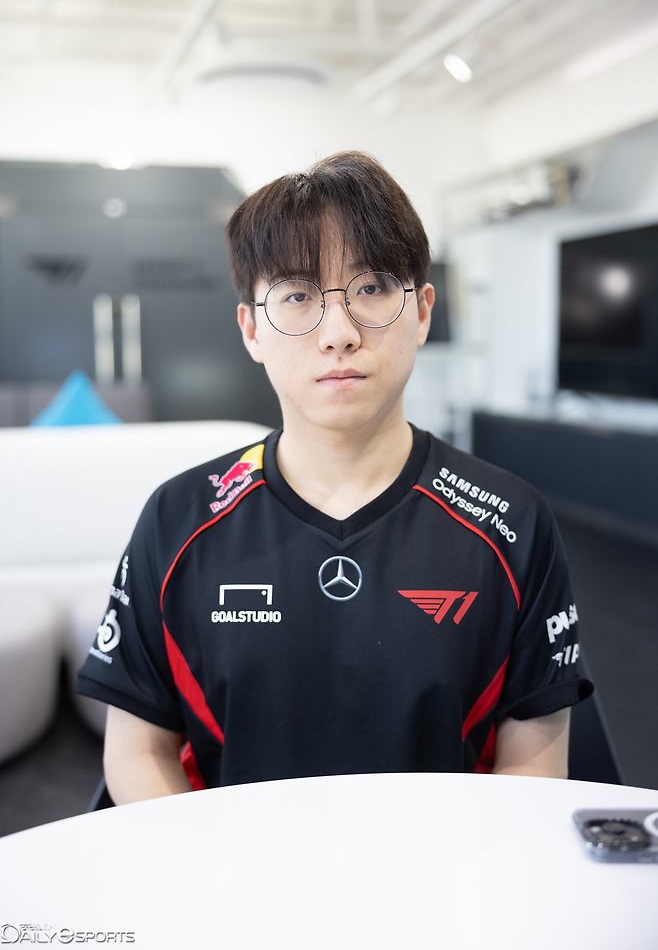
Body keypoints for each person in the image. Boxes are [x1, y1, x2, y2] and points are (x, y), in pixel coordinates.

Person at [76, 151, 592, 803]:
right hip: (228, 866)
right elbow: (138, 748)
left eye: (372, 288)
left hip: (442, 865)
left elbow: (534, 766)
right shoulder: (178, 518)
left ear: (423, 311)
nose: (339, 333)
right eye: (297, 296)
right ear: (251, 329)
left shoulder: (511, 522)